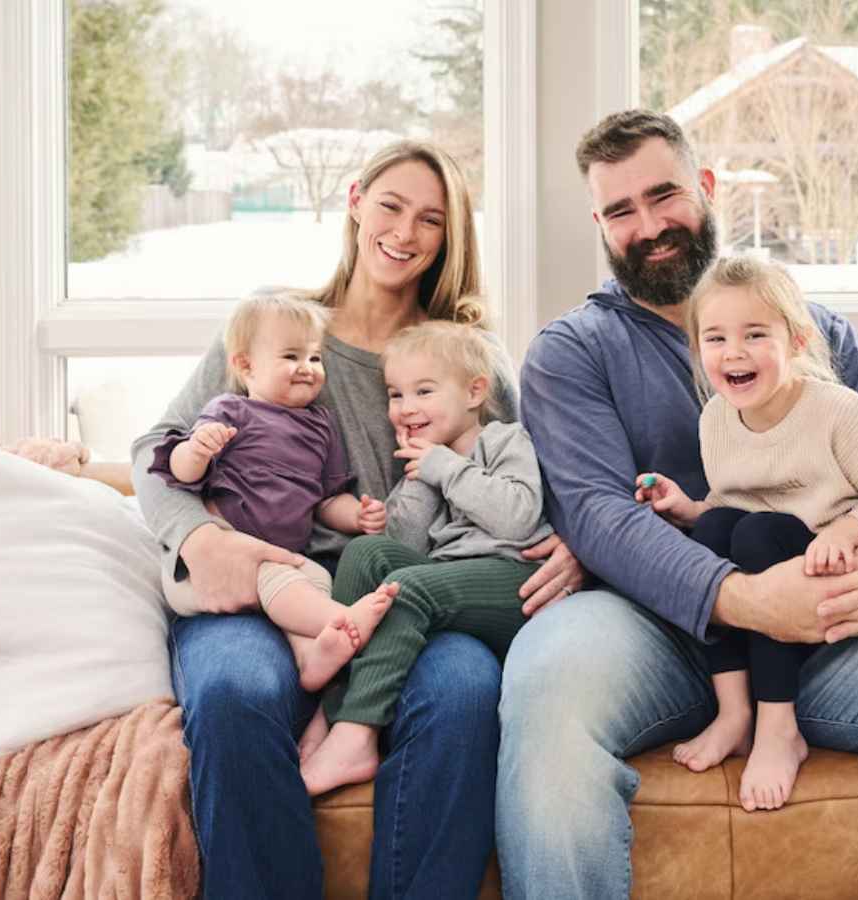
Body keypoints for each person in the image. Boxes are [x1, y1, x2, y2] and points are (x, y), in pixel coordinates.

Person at [499, 109, 858, 899]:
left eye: (665, 196)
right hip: (645, 629)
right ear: (600, 225)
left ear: (707, 188)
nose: (648, 226)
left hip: (827, 624)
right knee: (548, 686)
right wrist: (749, 600)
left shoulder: (812, 331)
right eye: (621, 211)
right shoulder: (573, 351)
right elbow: (597, 515)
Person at [131, 141, 584, 900]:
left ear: (451, 238)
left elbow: (545, 479)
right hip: (268, 583)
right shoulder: (276, 326)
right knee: (232, 694)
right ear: (354, 202)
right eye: (391, 207)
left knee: (466, 691)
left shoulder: (470, 356)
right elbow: (158, 449)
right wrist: (201, 538)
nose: (406, 233)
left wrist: (577, 543)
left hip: (412, 596)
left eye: (431, 221)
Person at [634, 254, 858, 811]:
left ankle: (780, 729)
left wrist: (851, 528)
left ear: (797, 341)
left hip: (840, 581)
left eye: (755, 334)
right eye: (716, 338)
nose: (734, 352)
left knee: (755, 537)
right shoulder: (716, 420)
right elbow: (738, 506)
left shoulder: (840, 416)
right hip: (778, 563)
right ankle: (736, 712)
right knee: (717, 531)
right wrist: (688, 509)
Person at [299, 320, 553, 796]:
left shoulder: (504, 441)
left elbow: (518, 517)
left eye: (424, 391)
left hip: (516, 580)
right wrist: (416, 483)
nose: (406, 407)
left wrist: (446, 468)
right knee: (364, 552)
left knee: (406, 589)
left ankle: (357, 735)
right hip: (451, 580)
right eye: (396, 395)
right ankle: (330, 712)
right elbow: (407, 546)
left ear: (475, 391)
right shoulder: (426, 462)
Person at [148, 292, 396, 693]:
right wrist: (195, 450)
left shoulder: (320, 425)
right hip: (218, 565)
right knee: (281, 581)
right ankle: (344, 621)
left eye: (314, 358)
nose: (307, 368)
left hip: (283, 561)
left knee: (312, 578)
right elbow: (176, 471)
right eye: (291, 357)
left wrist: (356, 515)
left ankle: (310, 657)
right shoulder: (229, 411)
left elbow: (327, 499)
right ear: (246, 365)